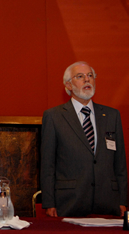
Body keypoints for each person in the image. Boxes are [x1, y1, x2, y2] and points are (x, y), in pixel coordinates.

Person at [41, 61, 127, 217]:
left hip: (108, 202)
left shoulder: (112, 115)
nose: (87, 80)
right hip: (69, 202)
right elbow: (48, 164)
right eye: (80, 76)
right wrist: (49, 202)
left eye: (90, 76)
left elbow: (120, 163)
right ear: (68, 85)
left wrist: (123, 199)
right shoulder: (54, 116)